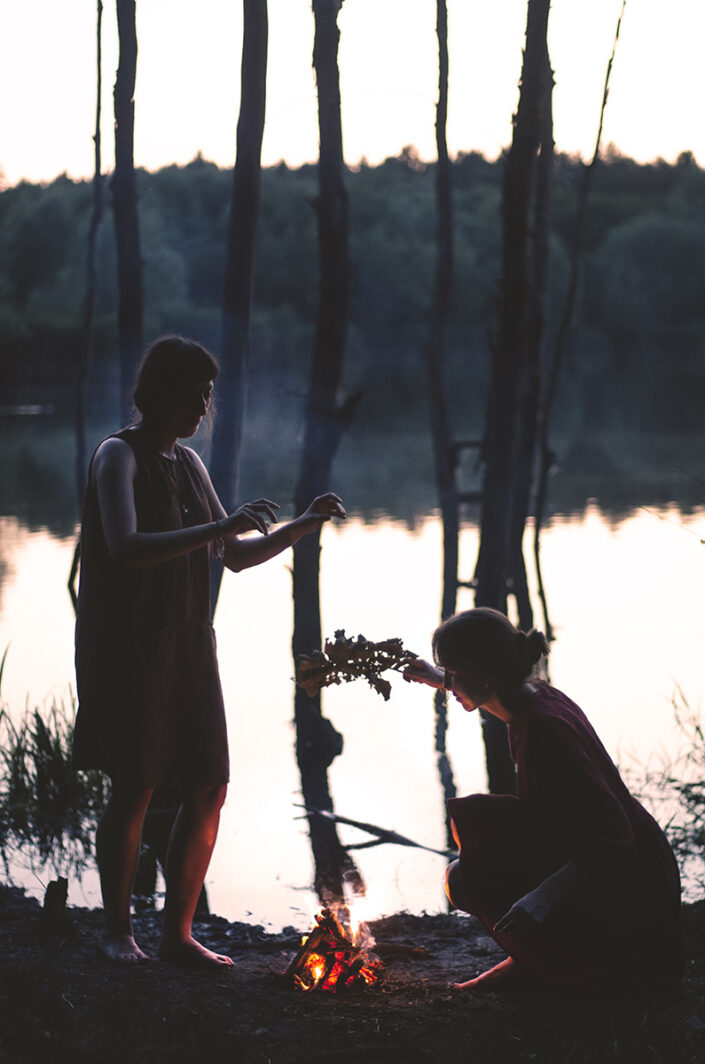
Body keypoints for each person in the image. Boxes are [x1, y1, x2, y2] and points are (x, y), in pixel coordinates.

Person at [73, 335, 345, 968]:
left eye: (208, 395)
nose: (204, 407)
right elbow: (125, 547)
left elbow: (236, 555)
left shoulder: (190, 465)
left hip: (190, 642)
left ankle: (178, 934)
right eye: (195, 394)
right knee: (136, 784)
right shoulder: (118, 456)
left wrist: (300, 526)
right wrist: (224, 526)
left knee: (209, 786)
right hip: (130, 645)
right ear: (161, 392)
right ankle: (118, 933)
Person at [403, 608, 684, 993]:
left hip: (633, 882)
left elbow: (614, 835)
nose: (450, 683)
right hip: (631, 862)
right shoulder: (533, 698)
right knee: (480, 820)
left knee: (463, 877)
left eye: (453, 672)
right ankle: (530, 960)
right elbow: (491, 695)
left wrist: (542, 897)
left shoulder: (546, 730)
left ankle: (563, 966)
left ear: (484, 673)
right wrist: (437, 680)